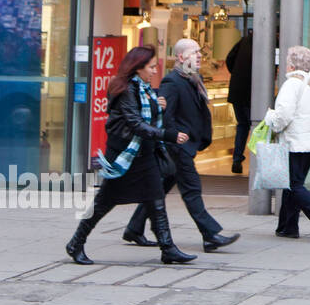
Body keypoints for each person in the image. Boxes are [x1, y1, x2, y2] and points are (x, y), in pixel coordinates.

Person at [65, 46, 196, 265]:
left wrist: (157, 104)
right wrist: (169, 135)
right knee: (103, 203)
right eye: (151, 67)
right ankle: (75, 243)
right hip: (125, 157)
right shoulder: (126, 89)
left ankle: (168, 247)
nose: (155, 71)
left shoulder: (143, 89)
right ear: (138, 68)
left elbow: (146, 114)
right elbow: (136, 124)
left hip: (144, 154)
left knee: (156, 201)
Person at [123, 39, 240, 253]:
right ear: (180, 57)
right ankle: (210, 234)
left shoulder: (194, 79)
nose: (198, 56)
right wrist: (176, 139)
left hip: (186, 145)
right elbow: (165, 116)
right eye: (193, 52)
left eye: (198, 52)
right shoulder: (172, 81)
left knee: (158, 189)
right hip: (177, 147)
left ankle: (134, 228)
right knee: (192, 189)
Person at [266, 45, 310, 241]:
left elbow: (284, 115)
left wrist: (271, 120)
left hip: (294, 141)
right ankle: (287, 226)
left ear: (291, 65)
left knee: (293, 184)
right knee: (292, 184)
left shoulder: (293, 84)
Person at [225, 30, 253, 174]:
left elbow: (229, 58)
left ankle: (237, 160)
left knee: (242, 125)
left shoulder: (244, 41)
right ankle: (257, 161)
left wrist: (236, 74)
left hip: (237, 90)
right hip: (253, 92)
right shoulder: (268, 43)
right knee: (256, 125)